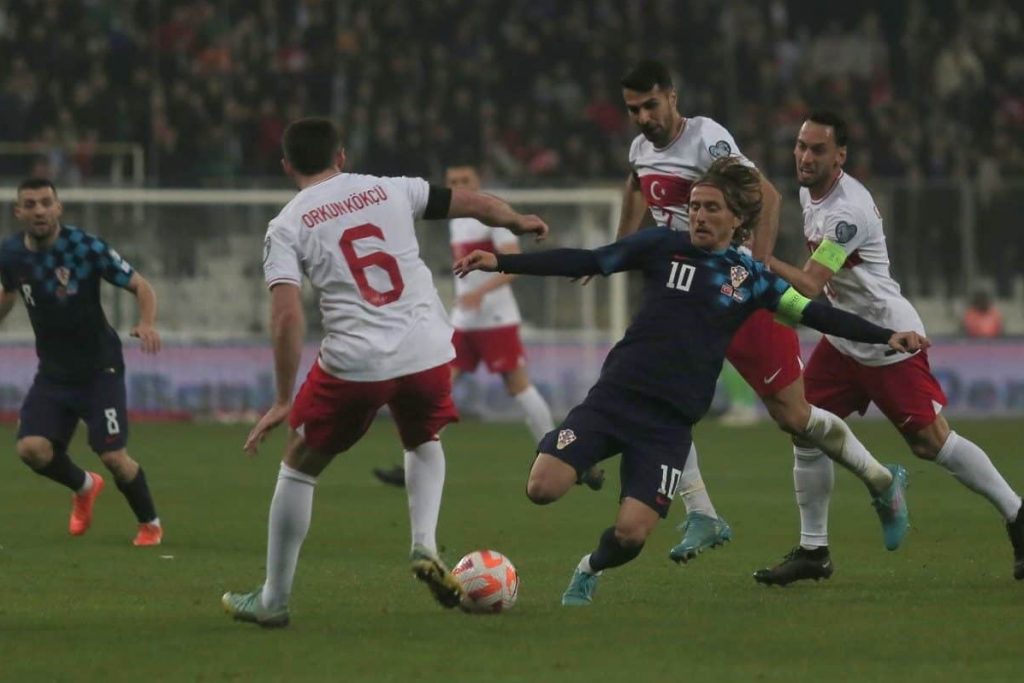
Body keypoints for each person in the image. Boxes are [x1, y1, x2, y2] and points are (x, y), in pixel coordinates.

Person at [453, 157, 928, 605]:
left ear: (736, 219)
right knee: (541, 488)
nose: (698, 215)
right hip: (614, 400)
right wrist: (502, 262)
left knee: (631, 535)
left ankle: (588, 568)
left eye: (711, 208)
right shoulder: (662, 246)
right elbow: (589, 261)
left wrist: (887, 335)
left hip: (668, 427)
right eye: (695, 206)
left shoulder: (752, 280)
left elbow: (818, 314)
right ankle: (583, 458)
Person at [221, 118, 550, 627]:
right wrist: (516, 219)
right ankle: (423, 544)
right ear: (341, 156)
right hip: (428, 349)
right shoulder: (390, 188)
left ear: (287, 166)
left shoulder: (286, 225)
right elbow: (473, 203)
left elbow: (286, 317)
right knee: (424, 438)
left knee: (299, 464)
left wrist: (284, 397)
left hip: (357, 361)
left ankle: (273, 600)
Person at [613, 60, 908, 565]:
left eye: (650, 105)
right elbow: (638, 184)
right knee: (653, 395)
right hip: (684, 295)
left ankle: (881, 480)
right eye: (633, 109)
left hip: (734, 290)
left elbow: (766, 195)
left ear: (672, 97)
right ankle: (701, 513)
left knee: (794, 416)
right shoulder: (641, 150)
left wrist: (757, 265)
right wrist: (619, 248)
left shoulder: (707, 140)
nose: (642, 117)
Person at [759, 110, 1024, 583]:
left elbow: (811, 284)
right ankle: (814, 550)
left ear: (840, 156)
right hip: (844, 339)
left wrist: (762, 262)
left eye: (817, 149)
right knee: (803, 426)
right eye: (801, 146)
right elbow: (820, 278)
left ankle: (1017, 513)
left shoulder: (848, 212)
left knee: (931, 442)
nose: (805, 156)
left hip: (887, 340)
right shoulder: (809, 193)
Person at [371, 164, 603, 489]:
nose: (459, 185)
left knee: (519, 387)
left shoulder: (492, 216)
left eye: (465, 180)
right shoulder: (456, 221)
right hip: (464, 321)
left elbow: (513, 265)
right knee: (440, 388)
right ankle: (416, 460)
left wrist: (479, 293)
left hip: (495, 319)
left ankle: (565, 456)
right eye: (453, 181)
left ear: (477, 181)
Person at [0, 178, 164, 546]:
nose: (40, 210)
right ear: (19, 211)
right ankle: (85, 486)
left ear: (58, 207)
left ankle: (150, 523)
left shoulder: (85, 248)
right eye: (31, 204)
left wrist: (146, 323)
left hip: (99, 370)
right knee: (31, 449)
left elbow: (141, 285)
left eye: (46, 202)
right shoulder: (10, 254)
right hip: (53, 373)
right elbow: (9, 292)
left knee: (113, 456)